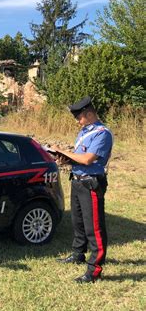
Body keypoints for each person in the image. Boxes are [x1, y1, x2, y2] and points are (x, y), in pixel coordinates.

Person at [53, 96, 113, 283]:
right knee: (77, 221)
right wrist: (65, 159)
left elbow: (87, 159)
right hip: (77, 180)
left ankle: (94, 269)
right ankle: (78, 253)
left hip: (91, 183)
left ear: (88, 114)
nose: (77, 121)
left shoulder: (102, 133)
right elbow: (78, 158)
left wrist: (64, 152)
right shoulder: (84, 131)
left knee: (94, 227)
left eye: (79, 117)